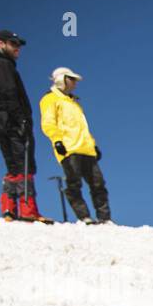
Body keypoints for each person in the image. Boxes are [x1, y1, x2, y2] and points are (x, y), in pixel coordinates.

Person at [0, 29, 51, 223]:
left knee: (12, 164)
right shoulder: (4, 65)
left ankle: (9, 209)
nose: (17, 49)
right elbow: (10, 92)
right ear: (1, 44)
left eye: (18, 46)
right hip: (12, 121)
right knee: (24, 163)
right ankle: (28, 209)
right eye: (13, 44)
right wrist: (21, 119)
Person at [39, 67, 111, 224]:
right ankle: (84, 216)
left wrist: (93, 145)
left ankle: (105, 218)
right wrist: (57, 140)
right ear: (61, 79)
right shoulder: (50, 99)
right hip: (69, 148)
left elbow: (82, 127)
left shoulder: (75, 103)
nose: (75, 84)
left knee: (98, 184)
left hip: (87, 149)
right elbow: (48, 123)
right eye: (72, 80)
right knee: (74, 183)